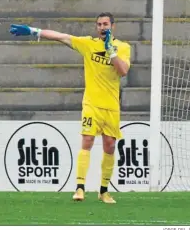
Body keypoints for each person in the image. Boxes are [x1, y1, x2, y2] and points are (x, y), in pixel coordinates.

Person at [9, 12, 131, 204]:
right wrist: (34, 31)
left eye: (105, 24)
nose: (102, 27)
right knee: (88, 140)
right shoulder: (88, 44)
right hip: (91, 103)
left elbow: (123, 71)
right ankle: (80, 188)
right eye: (99, 24)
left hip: (111, 106)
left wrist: (111, 52)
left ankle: (104, 191)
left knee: (110, 145)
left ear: (113, 26)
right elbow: (61, 36)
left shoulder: (123, 47)